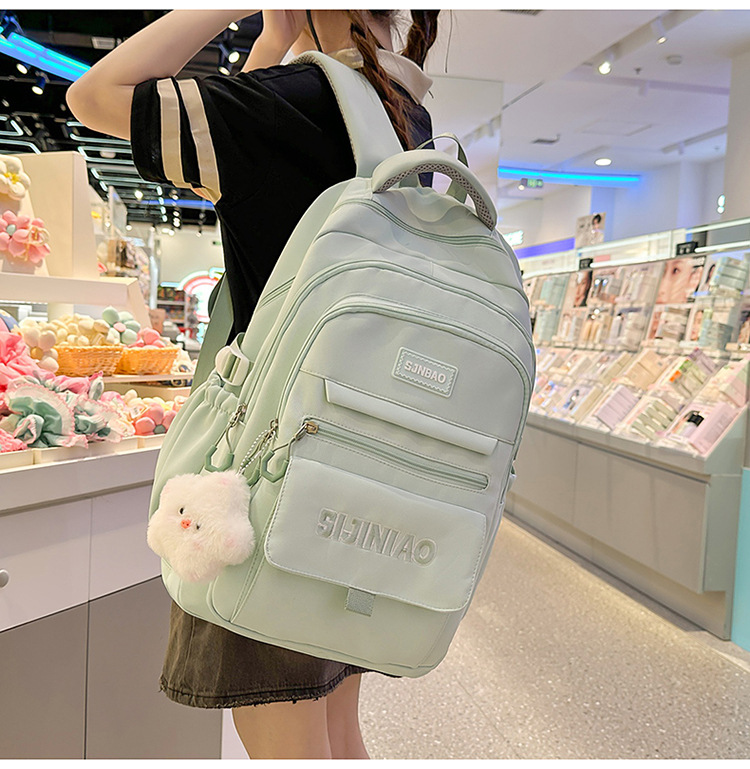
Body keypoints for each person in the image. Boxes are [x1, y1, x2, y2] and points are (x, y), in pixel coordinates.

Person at [67, 8, 440, 760]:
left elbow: (95, 95)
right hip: (358, 468)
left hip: (268, 473)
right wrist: (273, 40)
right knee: (335, 726)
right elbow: (239, 184)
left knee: (287, 739)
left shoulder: (292, 103)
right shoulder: (401, 115)